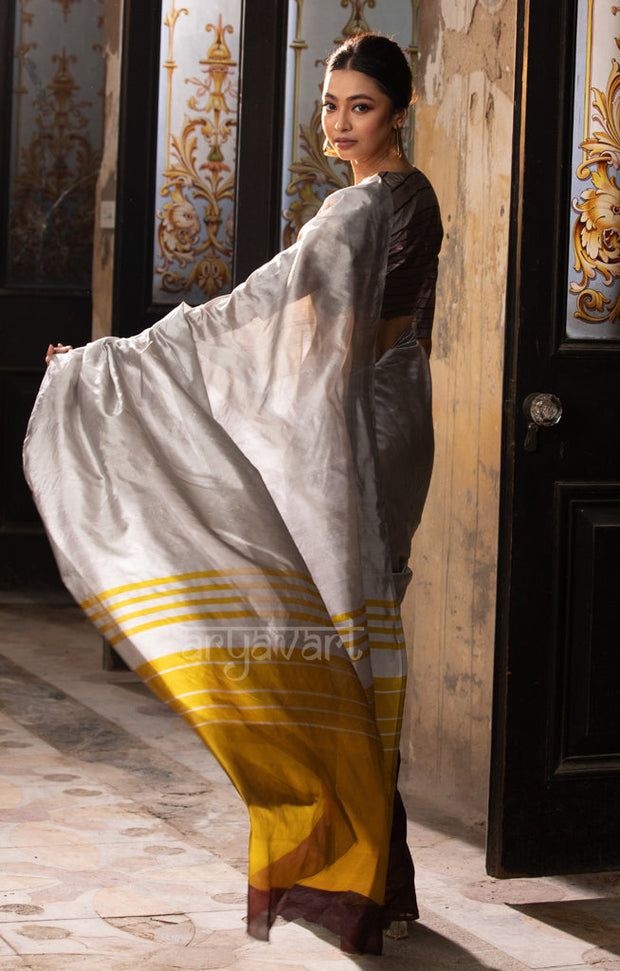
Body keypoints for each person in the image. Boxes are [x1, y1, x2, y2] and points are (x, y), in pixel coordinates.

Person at [30, 32, 442, 956]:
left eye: (360, 106)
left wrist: (115, 362)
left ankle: (358, 870)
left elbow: (252, 314)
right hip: (387, 412)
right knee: (355, 636)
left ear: (399, 111)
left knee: (343, 628)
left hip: (365, 433)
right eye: (331, 103)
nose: (339, 122)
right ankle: (377, 874)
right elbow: (289, 320)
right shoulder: (385, 200)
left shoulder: (372, 205)